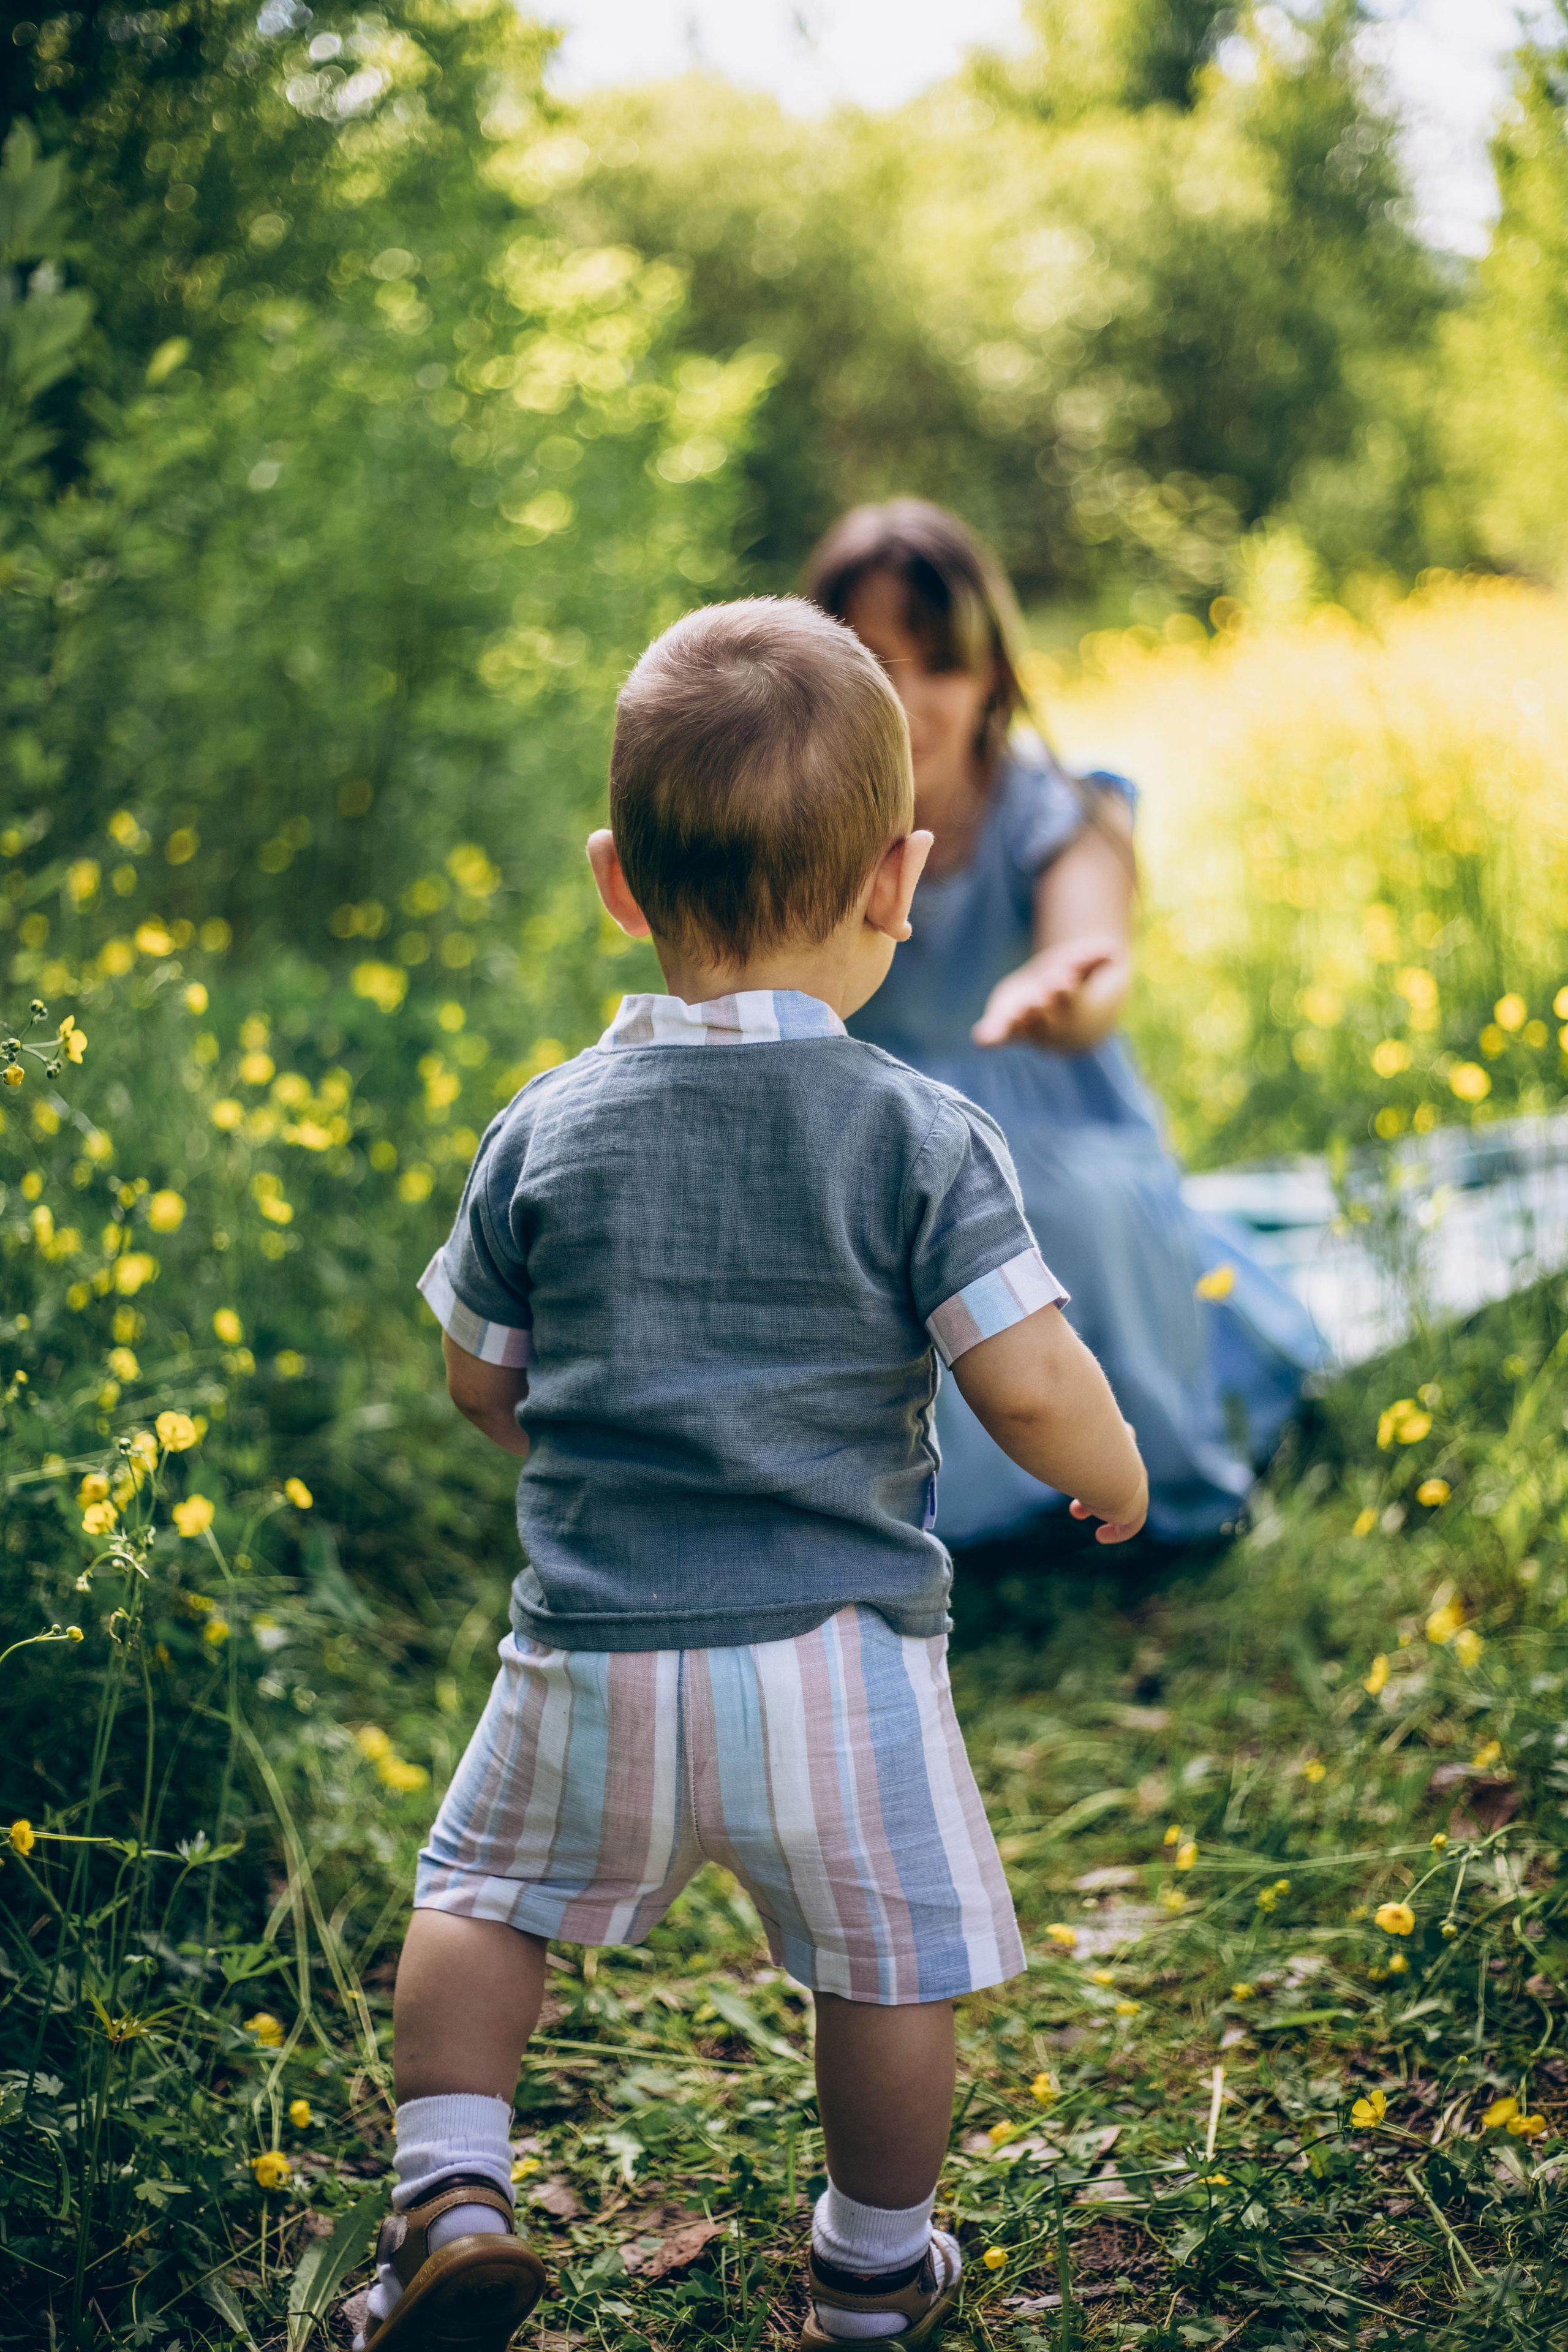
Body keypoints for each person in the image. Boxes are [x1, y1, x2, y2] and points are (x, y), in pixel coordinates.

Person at [364, 597, 1148, 2351]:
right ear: (899, 879)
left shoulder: (544, 1127)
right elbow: (1026, 1378)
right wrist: (1110, 1469)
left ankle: (452, 2190)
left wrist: (553, 1430)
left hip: (591, 1651)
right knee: (890, 1965)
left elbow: (480, 1373)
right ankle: (874, 2265)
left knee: (484, 1906)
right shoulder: (924, 1134)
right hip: (837, 1659)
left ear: (616, 881)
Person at [805, 500, 1321, 1550]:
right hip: (877, 1129)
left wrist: (1061, 991)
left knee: (1068, 1206)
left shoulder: (1060, 810)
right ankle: (907, 1510)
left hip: (1052, 1119)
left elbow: (1091, 969)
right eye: (876, 664)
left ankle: (1147, 1487)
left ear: (992, 668)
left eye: (940, 662)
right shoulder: (810, 831)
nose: (911, 698)